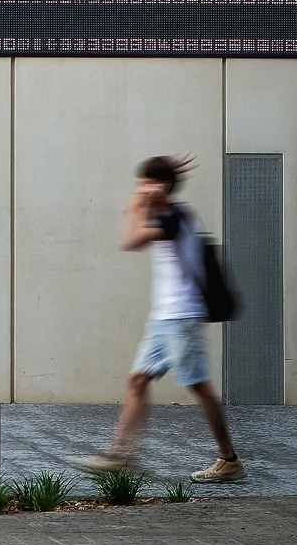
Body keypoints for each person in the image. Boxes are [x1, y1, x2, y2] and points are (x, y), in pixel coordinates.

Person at [77, 155, 244, 483]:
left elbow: (132, 240)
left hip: (182, 317)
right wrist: (155, 191)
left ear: (162, 187)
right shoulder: (169, 213)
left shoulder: (174, 218)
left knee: (199, 386)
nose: (141, 189)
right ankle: (122, 456)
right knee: (138, 380)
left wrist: (136, 205)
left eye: (147, 183)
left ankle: (229, 460)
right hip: (164, 319)